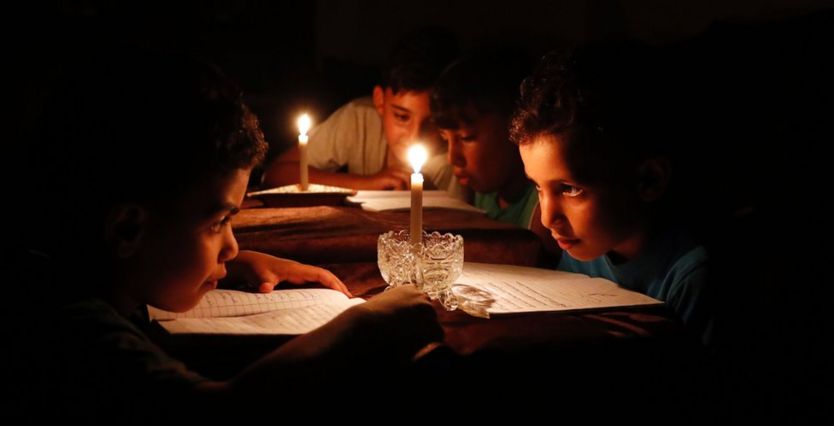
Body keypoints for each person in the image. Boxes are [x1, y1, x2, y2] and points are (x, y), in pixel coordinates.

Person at [13, 48, 442, 426]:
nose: (232, 245)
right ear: (127, 228)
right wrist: (365, 324)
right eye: (218, 223)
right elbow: (215, 424)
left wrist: (232, 260)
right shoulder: (65, 327)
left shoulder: (71, 270)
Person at [509, 43, 711, 343]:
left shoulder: (691, 275)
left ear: (648, 180)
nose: (549, 218)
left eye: (570, 189)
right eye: (538, 187)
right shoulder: (581, 256)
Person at [261, 27, 464, 197]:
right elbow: (276, 174)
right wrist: (365, 183)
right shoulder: (359, 119)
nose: (414, 136)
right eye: (402, 117)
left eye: (433, 122)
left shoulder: (456, 158)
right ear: (380, 101)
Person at [430, 47, 558, 255]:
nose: (453, 157)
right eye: (446, 139)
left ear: (516, 125)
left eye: (466, 138)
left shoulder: (543, 207)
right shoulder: (482, 190)